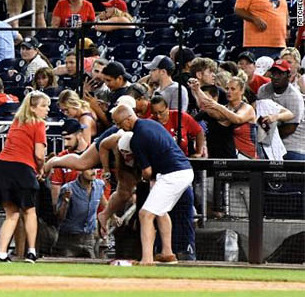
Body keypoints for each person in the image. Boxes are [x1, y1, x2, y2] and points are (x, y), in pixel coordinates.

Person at [111, 105, 194, 265]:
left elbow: (147, 172)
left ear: (128, 119)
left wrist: (139, 176)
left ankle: (147, 259)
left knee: (145, 214)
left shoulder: (137, 138)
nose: (119, 127)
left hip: (172, 174)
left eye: (119, 123)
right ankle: (167, 253)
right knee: (160, 211)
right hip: (182, 171)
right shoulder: (151, 123)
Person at [0, 91, 50, 263]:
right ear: (32, 108)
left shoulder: (16, 122)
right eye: (44, 106)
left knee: (11, 214)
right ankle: (31, 252)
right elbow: (39, 155)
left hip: (1, 166)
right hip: (21, 168)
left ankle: (2, 253)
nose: (47, 110)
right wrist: (40, 169)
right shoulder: (38, 124)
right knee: (30, 211)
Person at [190, 76, 257, 159]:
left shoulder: (247, 108)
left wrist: (218, 106)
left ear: (242, 91)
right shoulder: (224, 109)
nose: (228, 92)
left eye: (233, 89)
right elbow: (209, 107)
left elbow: (237, 119)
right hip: (226, 156)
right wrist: (197, 90)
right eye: (227, 88)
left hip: (246, 158)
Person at [256, 59, 305, 160]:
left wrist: (271, 137)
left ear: (288, 75)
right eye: (274, 73)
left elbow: (291, 128)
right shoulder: (263, 90)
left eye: (280, 74)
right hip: (267, 138)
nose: (276, 77)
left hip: (292, 143)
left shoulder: (294, 96)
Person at [54, 168, 106, 258]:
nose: (94, 172)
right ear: (79, 171)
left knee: (91, 268)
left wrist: (112, 216)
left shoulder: (99, 185)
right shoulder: (68, 188)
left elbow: (103, 201)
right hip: (69, 238)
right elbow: (59, 217)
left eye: (95, 169)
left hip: (89, 238)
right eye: (89, 169)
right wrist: (65, 201)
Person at [49, 118, 89, 206]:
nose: (66, 144)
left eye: (68, 139)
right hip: (71, 209)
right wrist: (57, 210)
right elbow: (56, 187)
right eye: (64, 140)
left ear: (79, 134)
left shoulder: (94, 154)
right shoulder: (61, 158)